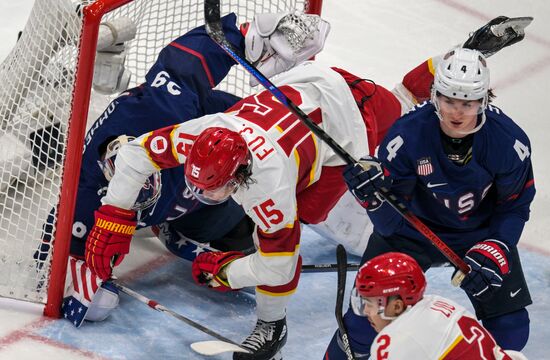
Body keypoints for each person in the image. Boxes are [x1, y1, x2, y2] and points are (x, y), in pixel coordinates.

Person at [81, 15, 529, 360]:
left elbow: (279, 268)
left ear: (239, 175)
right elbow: (140, 153)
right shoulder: (201, 131)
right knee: (310, 214)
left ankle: (461, 57)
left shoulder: (268, 185)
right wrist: (114, 217)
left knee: (403, 108)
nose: (203, 195)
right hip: (302, 94)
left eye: (215, 189)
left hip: (348, 113)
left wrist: (226, 272)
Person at [44, 11, 330, 328]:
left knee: (277, 208)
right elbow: (54, 260)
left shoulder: (161, 112)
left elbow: (184, 63)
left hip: (229, 138)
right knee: (103, 301)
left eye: (149, 184)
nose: (143, 191)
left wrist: (253, 39)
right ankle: (180, 226)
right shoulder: (83, 200)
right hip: (192, 196)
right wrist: (82, 277)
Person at [326, 46, 535, 359]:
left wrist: (498, 247)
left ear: (484, 100)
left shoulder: (508, 142)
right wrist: (373, 197)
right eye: (449, 99)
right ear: (434, 95)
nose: (456, 111)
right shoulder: (407, 135)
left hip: (476, 235)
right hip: (412, 231)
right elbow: (390, 224)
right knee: (362, 321)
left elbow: (515, 206)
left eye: (467, 102)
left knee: (511, 327)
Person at [349, 252, 527, 360]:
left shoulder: (396, 340)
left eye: (370, 303)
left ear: (396, 306)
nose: (366, 311)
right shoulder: (437, 302)